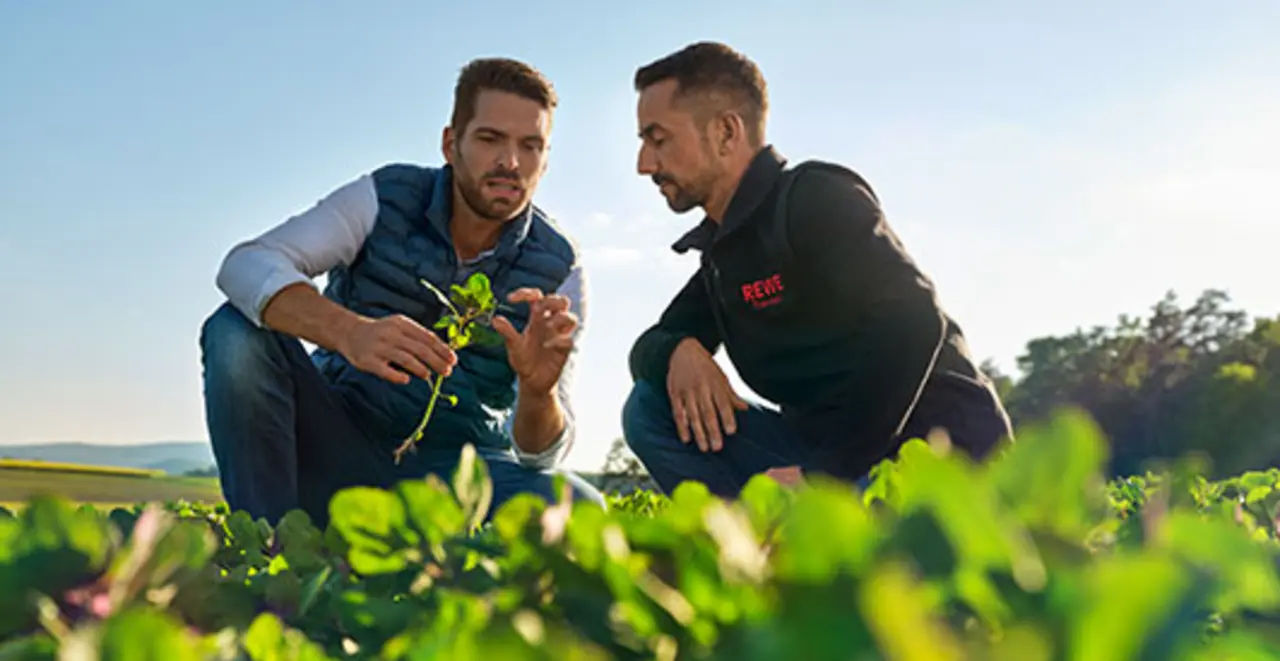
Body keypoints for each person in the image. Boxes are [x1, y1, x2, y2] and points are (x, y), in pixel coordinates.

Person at [199, 57, 605, 528]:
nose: (510, 163)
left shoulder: (561, 267)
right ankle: (267, 546)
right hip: (338, 445)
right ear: (451, 144)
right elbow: (246, 264)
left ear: (546, 158)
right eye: (490, 139)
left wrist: (539, 393)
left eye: (530, 146)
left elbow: (541, 455)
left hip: (458, 478)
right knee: (234, 333)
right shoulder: (383, 197)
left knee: (579, 509)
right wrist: (349, 332)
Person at [620, 42, 1014, 497]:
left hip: (932, 456)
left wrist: (826, 476)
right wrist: (676, 351)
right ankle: (754, 555)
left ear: (727, 132)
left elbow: (914, 318)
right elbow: (648, 344)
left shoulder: (814, 198)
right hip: (825, 459)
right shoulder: (723, 259)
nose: (644, 164)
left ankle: (841, 536)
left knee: (879, 536)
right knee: (649, 408)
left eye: (658, 138)